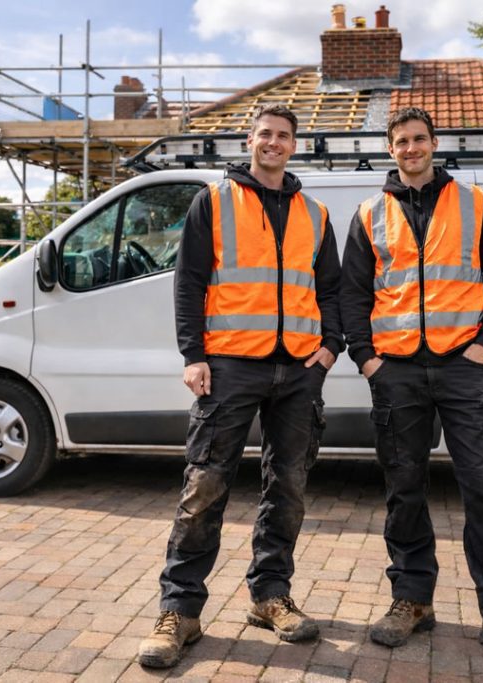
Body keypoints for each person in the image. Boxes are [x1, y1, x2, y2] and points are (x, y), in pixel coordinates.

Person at [340, 107, 483, 674]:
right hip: (397, 372)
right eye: (401, 141)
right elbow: (352, 294)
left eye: (419, 139)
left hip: (464, 367)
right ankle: (412, 600)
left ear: (434, 143)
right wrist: (366, 359)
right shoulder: (369, 213)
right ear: (390, 149)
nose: (410, 148)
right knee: (404, 488)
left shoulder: (475, 204)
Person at [138, 104, 343, 668]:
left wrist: (329, 349)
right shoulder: (215, 201)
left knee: (290, 487)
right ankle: (180, 609)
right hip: (230, 366)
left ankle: (270, 595)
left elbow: (331, 288)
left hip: (299, 369)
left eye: (283, 136)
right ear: (248, 141)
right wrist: (193, 354)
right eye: (264, 135)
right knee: (204, 486)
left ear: (294, 145)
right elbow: (190, 282)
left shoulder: (315, 212)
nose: (273, 143)